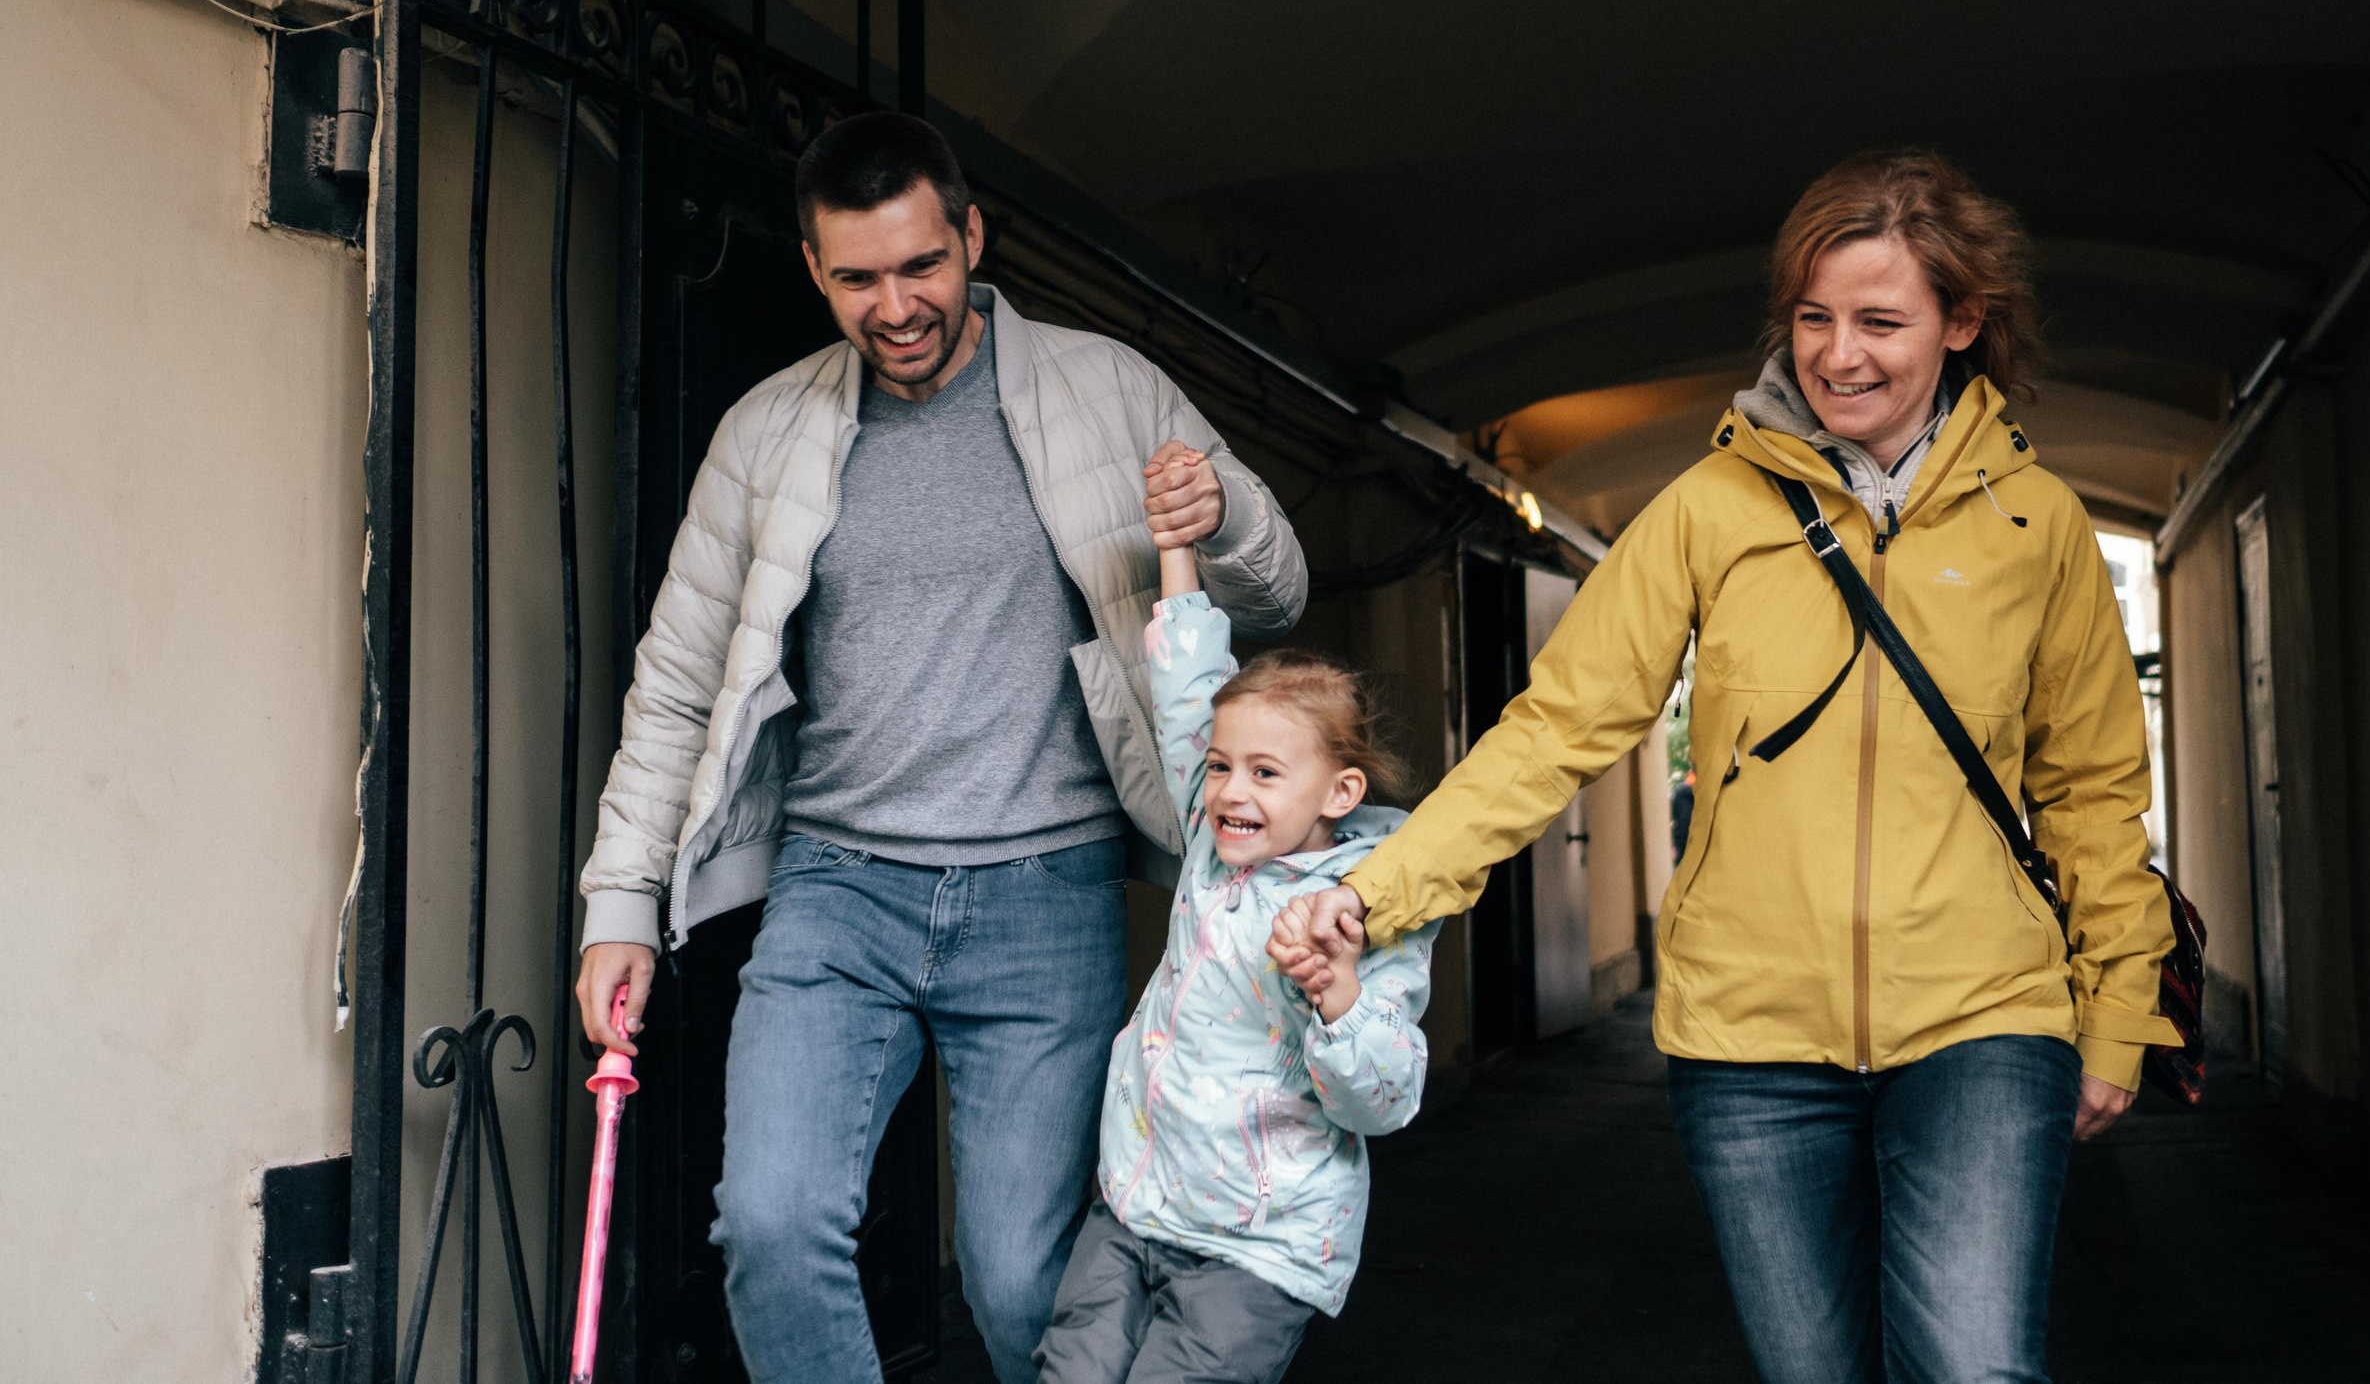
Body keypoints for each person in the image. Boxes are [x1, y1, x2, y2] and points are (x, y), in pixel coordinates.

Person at [1278, 149, 2177, 1384]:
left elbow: (2088, 795)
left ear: (1964, 324)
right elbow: (1558, 729)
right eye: (1814, 318)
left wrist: (2118, 1015)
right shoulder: (1711, 509)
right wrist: (1375, 895)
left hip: (1982, 1014)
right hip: (1751, 1035)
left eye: (1879, 320)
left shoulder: (2041, 528)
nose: (1838, 354)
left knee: (1972, 1367)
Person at [570, 113, 1308, 1384]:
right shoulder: (765, 435)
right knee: (769, 1224)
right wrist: (622, 900)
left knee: (1021, 1279)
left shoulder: (1108, 388)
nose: (896, 305)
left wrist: (1227, 510)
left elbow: (1279, 588)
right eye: (858, 277)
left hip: (1044, 892)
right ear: (814, 269)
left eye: (921, 265)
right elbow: (681, 682)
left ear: (971, 235)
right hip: (835, 893)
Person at [1035, 445, 1437, 1384]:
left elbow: (1385, 1099)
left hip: (1261, 1243)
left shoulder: (1370, 907)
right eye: (1220, 766)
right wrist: (1178, 545)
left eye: (1264, 772)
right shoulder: (1213, 840)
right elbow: (1184, 692)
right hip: (1138, 1200)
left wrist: (1337, 995)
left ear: (1339, 790)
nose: (1228, 789)